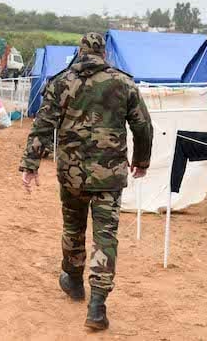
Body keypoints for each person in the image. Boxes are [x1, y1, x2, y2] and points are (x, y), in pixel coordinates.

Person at [19, 33, 153, 331]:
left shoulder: (61, 82)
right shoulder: (123, 83)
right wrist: (141, 162)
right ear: (104, 53)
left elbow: (42, 126)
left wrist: (31, 165)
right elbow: (143, 126)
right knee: (105, 236)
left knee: (73, 227)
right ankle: (97, 306)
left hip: (72, 174)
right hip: (109, 176)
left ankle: (73, 280)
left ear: (80, 52)